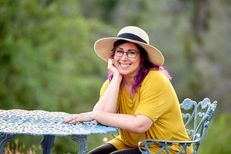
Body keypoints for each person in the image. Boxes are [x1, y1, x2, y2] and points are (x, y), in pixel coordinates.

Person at [65, 26, 191, 154]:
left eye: (131, 53)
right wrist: (116, 77)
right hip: (131, 143)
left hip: (167, 148)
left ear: (142, 58)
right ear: (112, 56)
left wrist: (95, 115)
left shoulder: (155, 79)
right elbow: (104, 114)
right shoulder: (112, 83)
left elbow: (140, 125)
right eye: (119, 52)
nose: (124, 58)